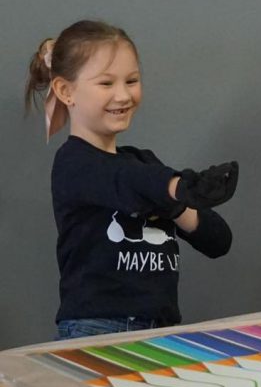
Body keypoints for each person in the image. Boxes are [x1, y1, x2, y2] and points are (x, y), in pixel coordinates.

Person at [25, 20, 238, 340]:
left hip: (161, 332)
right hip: (95, 331)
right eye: (106, 83)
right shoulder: (74, 163)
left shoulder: (145, 164)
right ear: (65, 91)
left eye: (132, 80)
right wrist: (176, 188)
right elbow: (124, 181)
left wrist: (180, 202)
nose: (123, 95)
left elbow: (218, 241)